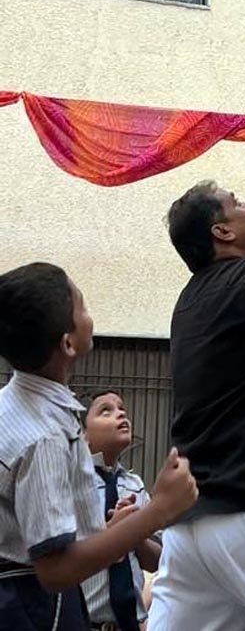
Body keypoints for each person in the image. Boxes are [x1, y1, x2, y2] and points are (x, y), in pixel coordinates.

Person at [0, 263, 196, 631]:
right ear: (68, 344)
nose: (90, 316)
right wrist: (159, 511)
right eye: (83, 308)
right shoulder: (44, 435)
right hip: (32, 610)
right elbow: (56, 570)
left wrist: (112, 531)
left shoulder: (12, 407)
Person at [82, 390, 161, 631]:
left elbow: (157, 561)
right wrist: (112, 535)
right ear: (83, 435)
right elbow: (58, 559)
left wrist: (133, 535)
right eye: (106, 410)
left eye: (121, 408)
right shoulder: (72, 485)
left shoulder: (134, 486)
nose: (120, 414)